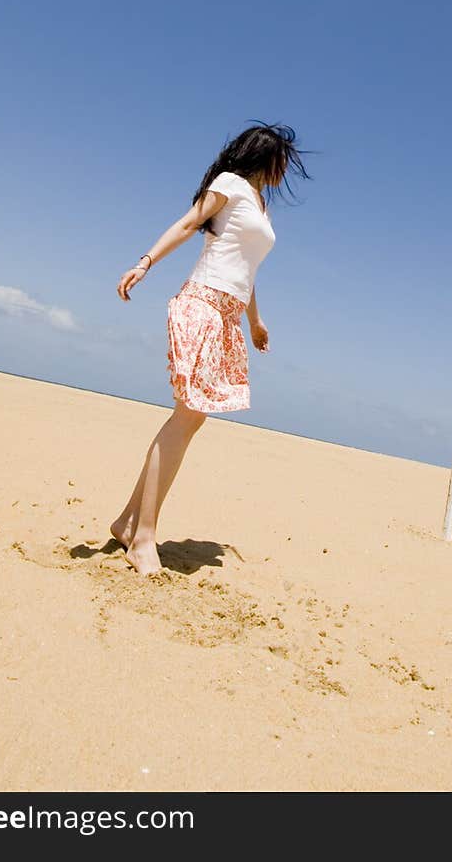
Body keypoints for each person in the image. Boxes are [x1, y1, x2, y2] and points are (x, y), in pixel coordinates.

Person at [112, 122, 310, 574]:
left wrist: (254, 321)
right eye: (283, 161)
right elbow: (188, 223)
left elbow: (248, 268)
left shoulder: (260, 205)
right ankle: (143, 537)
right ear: (266, 157)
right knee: (187, 417)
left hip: (228, 315)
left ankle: (128, 522)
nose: (285, 170)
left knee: (189, 419)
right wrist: (145, 263)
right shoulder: (229, 185)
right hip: (201, 303)